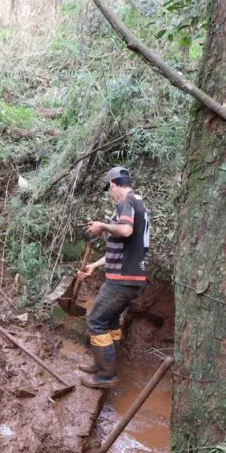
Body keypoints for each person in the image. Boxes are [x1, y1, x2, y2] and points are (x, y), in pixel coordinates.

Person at [76, 167, 150, 389]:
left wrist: (103, 225)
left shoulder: (126, 201)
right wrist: (96, 266)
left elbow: (125, 231)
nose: (110, 193)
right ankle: (102, 364)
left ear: (113, 185)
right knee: (111, 321)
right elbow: (125, 244)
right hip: (131, 276)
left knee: (96, 321)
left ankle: (106, 375)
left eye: (109, 188)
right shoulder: (138, 204)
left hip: (122, 279)